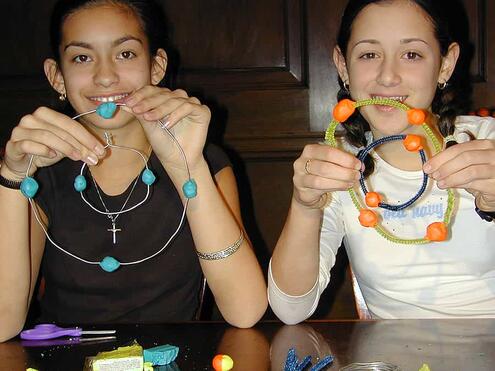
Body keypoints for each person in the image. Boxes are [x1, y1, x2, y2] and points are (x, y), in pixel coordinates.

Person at [0, 0, 267, 342]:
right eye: (82, 57)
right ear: (57, 76)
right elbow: (4, 323)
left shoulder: (205, 162)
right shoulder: (41, 172)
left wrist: (188, 166)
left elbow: (245, 311)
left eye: (125, 54)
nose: (106, 76)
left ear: (156, 67)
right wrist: (12, 176)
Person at [268, 0, 495, 324]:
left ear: (446, 64)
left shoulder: (488, 141)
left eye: (411, 54)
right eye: (369, 55)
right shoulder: (336, 166)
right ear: (343, 66)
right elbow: (290, 310)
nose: (388, 77)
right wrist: (305, 206)